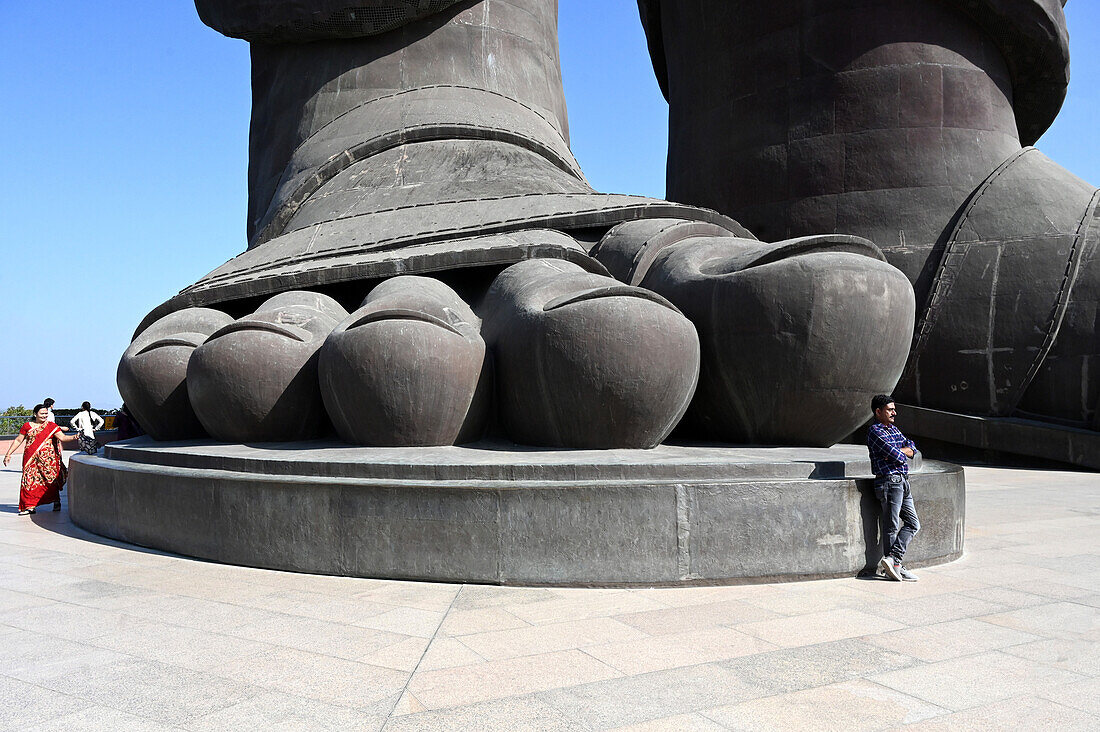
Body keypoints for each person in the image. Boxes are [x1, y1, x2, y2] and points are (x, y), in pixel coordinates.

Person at [867, 394, 921, 582]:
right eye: (890, 409)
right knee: (891, 526)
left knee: (914, 524)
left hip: (903, 482)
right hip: (889, 482)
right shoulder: (875, 432)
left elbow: (912, 448)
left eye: (894, 409)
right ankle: (895, 566)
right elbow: (897, 455)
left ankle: (893, 560)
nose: (894, 412)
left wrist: (905, 451)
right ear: (878, 411)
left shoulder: (894, 430)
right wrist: (903, 452)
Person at [3, 404, 79, 515]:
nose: (44, 416)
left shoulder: (51, 426)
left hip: (48, 460)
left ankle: (55, 500)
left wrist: (74, 437)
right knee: (29, 481)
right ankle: (29, 506)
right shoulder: (27, 426)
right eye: (42, 413)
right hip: (30, 458)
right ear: (35, 414)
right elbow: (18, 440)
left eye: (46, 413)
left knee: (50, 481)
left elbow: (62, 437)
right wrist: (8, 454)